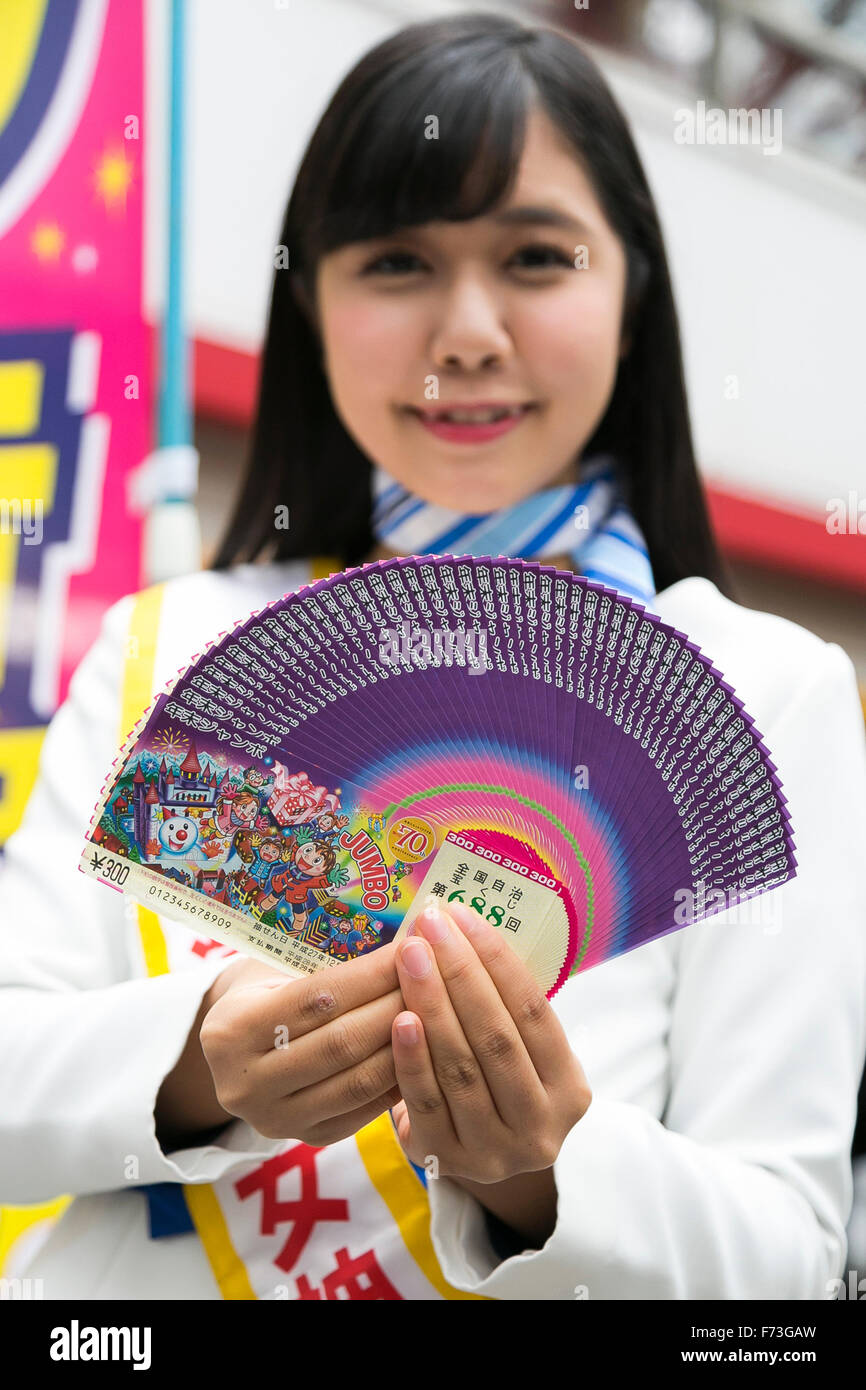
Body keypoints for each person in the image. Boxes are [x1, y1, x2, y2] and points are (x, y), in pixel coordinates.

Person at [1, 12, 865, 1301]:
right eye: (396, 261)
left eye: (534, 257)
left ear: (634, 299)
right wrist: (194, 1066)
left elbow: (790, 1267)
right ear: (313, 303)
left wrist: (542, 1169)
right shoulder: (168, 648)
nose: (467, 333)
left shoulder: (760, 697)